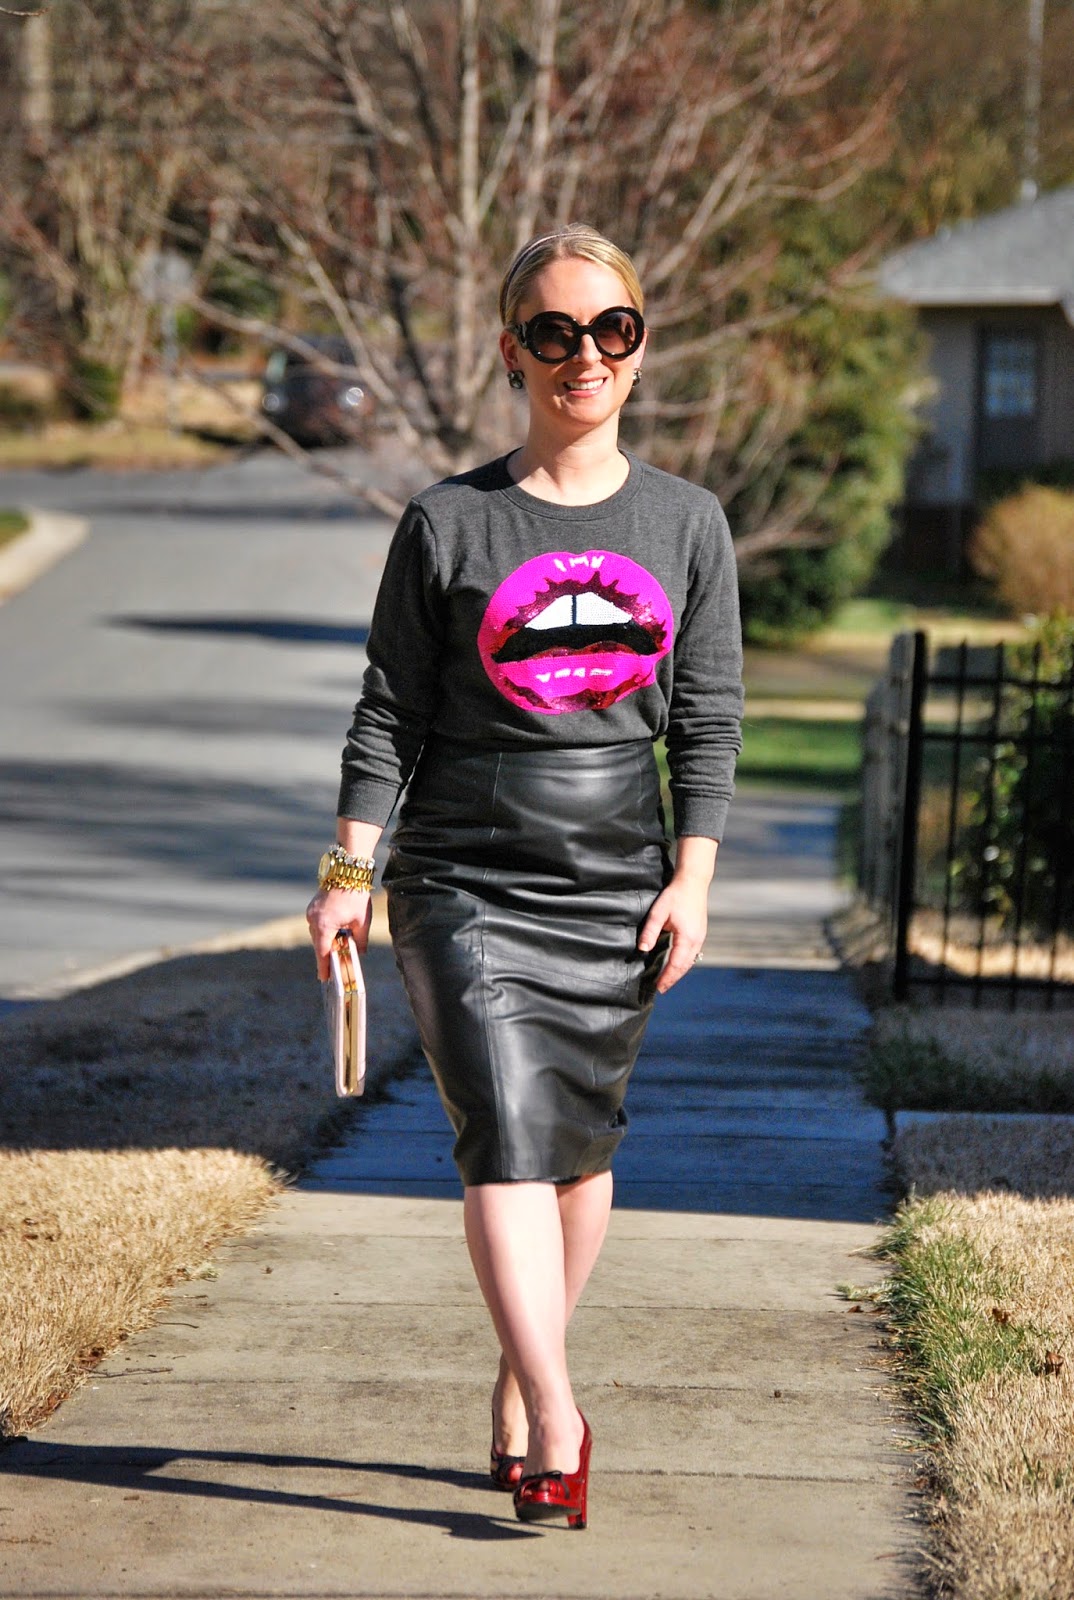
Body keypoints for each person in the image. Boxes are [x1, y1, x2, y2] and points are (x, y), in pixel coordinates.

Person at [307, 223, 743, 1530]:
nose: (583, 357)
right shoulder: (449, 518)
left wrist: (691, 879)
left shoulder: (686, 522)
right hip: (461, 875)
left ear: (638, 344)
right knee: (501, 1131)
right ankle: (560, 1414)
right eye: (553, 333)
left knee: (576, 1147)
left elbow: (709, 719)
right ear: (513, 351)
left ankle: (518, 1370)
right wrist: (347, 870)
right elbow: (386, 713)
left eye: (609, 330)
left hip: (613, 870)